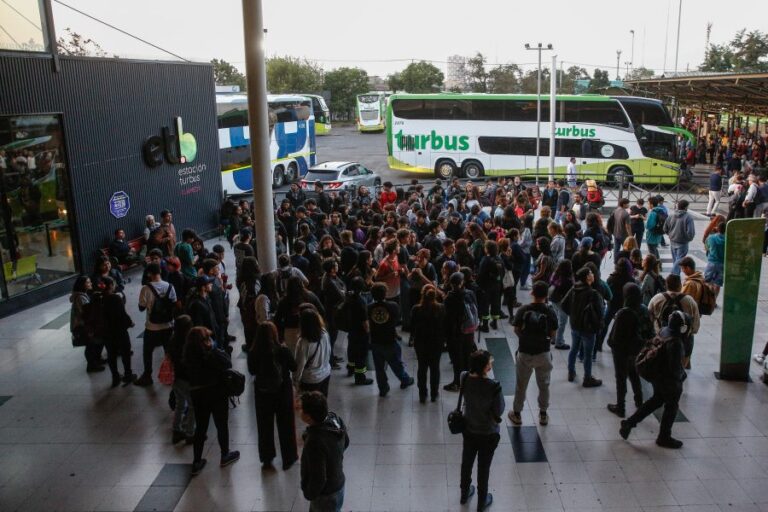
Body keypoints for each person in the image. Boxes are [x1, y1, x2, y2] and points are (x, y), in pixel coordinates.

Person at [620, 310, 690, 449]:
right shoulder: (676, 343)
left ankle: (629, 423)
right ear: (683, 328)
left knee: (656, 401)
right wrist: (681, 378)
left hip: (656, 376)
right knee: (671, 407)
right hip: (668, 380)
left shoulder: (664, 331)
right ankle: (664, 437)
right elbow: (675, 368)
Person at [184, 326, 240, 475]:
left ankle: (197, 460)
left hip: (198, 394)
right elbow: (227, 363)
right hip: (216, 392)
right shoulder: (212, 353)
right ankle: (225, 454)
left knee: (201, 427)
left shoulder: (188, 354)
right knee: (221, 424)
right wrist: (215, 350)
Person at [248, 321, 299, 470]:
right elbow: (294, 366)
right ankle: (289, 457)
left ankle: (267, 457)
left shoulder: (254, 352)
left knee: (264, 425)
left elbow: (252, 371)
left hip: (262, 392)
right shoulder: (282, 350)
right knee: (286, 425)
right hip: (283, 390)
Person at [459, 350, 504, 512]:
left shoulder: (464, 377)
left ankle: (464, 493)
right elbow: (499, 411)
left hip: (469, 429)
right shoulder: (494, 386)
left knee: (467, 462)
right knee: (483, 468)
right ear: (485, 368)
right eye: (489, 363)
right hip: (488, 433)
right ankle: (481, 501)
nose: (491, 365)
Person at [508, 281, 558, 426]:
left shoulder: (524, 309)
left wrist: (524, 339)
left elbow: (516, 329)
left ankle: (517, 414)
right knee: (544, 385)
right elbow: (553, 333)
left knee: (521, 385)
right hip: (543, 353)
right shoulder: (550, 311)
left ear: (532, 293)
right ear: (546, 295)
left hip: (525, 353)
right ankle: (543, 414)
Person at [606, 283, 654, 417]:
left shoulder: (623, 312)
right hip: (637, 350)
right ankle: (639, 400)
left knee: (621, 378)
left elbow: (615, 336)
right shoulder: (643, 309)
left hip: (621, 352)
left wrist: (611, 344)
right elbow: (650, 331)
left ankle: (620, 406)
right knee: (634, 374)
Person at [299, 391, 349, 512]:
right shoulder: (335, 420)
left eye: (301, 410)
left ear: (308, 416)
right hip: (338, 483)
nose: (299, 412)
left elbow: (319, 477)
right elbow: (346, 442)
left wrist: (309, 493)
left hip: (325, 495)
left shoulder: (314, 441)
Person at [367, 283, 414, 397]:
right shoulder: (393, 306)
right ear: (385, 293)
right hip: (389, 340)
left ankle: (383, 388)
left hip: (375, 341)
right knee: (396, 363)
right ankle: (404, 380)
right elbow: (397, 319)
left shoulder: (369, 308)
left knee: (379, 367)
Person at [135, 263, 177, 386]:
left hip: (152, 327)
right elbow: (173, 304)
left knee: (147, 352)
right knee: (169, 351)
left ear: (149, 274)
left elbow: (141, 308)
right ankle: (172, 374)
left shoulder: (145, 288)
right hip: (168, 325)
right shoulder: (170, 286)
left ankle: (147, 376)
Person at [562, 267, 604, 387]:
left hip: (575, 325)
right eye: (590, 273)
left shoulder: (574, 288)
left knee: (574, 349)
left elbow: (564, 305)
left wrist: (573, 314)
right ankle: (587, 378)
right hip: (588, 328)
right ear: (587, 277)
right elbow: (600, 312)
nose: (592, 274)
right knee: (588, 354)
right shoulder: (593, 293)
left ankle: (571, 372)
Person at [647, 274, 700, 368]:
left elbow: (649, 320)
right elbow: (695, 327)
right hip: (684, 341)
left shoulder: (656, 299)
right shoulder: (690, 301)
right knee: (680, 369)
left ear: (666, 285)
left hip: (661, 340)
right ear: (680, 285)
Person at [443, 272, 479, 392]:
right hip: (469, 331)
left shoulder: (449, 298)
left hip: (455, 334)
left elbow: (447, 319)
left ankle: (457, 383)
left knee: (457, 359)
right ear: (462, 282)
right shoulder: (469, 293)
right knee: (467, 355)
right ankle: (469, 381)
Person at [410, 285, 446, 403]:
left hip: (421, 343)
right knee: (435, 368)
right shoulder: (441, 308)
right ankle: (434, 393)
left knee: (422, 368)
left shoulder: (416, 309)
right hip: (436, 343)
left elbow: (412, 326)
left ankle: (422, 394)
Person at [99, 276, 135, 388]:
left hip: (106, 331)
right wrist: (130, 323)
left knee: (111, 355)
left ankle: (115, 377)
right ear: (110, 285)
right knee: (125, 352)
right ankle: (128, 374)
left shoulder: (98, 298)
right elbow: (122, 314)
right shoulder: (115, 298)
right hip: (119, 330)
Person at [341, 277, 374, 385]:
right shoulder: (361, 301)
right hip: (360, 332)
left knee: (352, 350)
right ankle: (360, 377)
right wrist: (368, 332)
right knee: (361, 355)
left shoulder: (349, 297)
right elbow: (364, 321)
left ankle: (351, 368)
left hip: (351, 330)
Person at [293, 308, 332, 396]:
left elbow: (300, 364)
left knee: (310, 406)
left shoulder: (303, 341)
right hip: (326, 373)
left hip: (310, 379)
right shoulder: (325, 333)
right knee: (322, 401)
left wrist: (296, 381)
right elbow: (329, 352)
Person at [169, 315, 195, 445]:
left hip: (176, 378)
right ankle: (190, 433)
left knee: (180, 405)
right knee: (192, 406)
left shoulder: (173, 340)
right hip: (187, 379)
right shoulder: (187, 343)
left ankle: (176, 430)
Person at [70, 276, 104, 373]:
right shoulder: (80, 297)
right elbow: (85, 313)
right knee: (91, 345)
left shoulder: (82, 295)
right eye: (88, 282)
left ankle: (96, 361)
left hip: (83, 324)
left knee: (93, 343)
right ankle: (91, 366)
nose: (91, 284)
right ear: (82, 285)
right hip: (82, 326)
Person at [663, 199, 696, 275]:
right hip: (682, 243)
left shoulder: (671, 215)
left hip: (673, 241)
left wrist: (670, 234)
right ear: (685, 207)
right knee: (679, 261)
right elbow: (691, 232)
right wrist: (687, 238)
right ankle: (673, 275)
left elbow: (665, 228)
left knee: (676, 260)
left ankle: (676, 278)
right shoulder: (688, 217)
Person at [548, 259, 573, 350]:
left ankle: (553, 338)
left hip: (554, 299)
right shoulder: (568, 280)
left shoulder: (555, 274)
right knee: (562, 322)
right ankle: (559, 342)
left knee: (556, 319)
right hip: (562, 302)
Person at [704, 222, 726, 299]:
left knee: (707, 281)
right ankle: (714, 300)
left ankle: (708, 298)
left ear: (717, 228)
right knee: (718, 283)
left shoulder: (710, 238)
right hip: (722, 264)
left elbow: (707, 248)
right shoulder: (728, 239)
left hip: (711, 262)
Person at [607, 198, 631, 264]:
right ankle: (625, 262)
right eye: (627, 203)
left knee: (616, 249)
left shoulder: (616, 210)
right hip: (624, 235)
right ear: (624, 204)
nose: (629, 205)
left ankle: (616, 261)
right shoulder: (626, 214)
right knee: (627, 249)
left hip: (616, 233)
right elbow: (627, 226)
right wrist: (630, 236)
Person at [645, 196, 666, 264]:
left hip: (652, 235)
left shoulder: (653, 212)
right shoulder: (661, 210)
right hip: (658, 234)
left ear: (651, 204)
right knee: (655, 249)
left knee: (652, 252)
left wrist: (645, 223)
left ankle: (654, 267)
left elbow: (649, 225)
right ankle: (659, 264)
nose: (647, 205)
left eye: (648, 203)